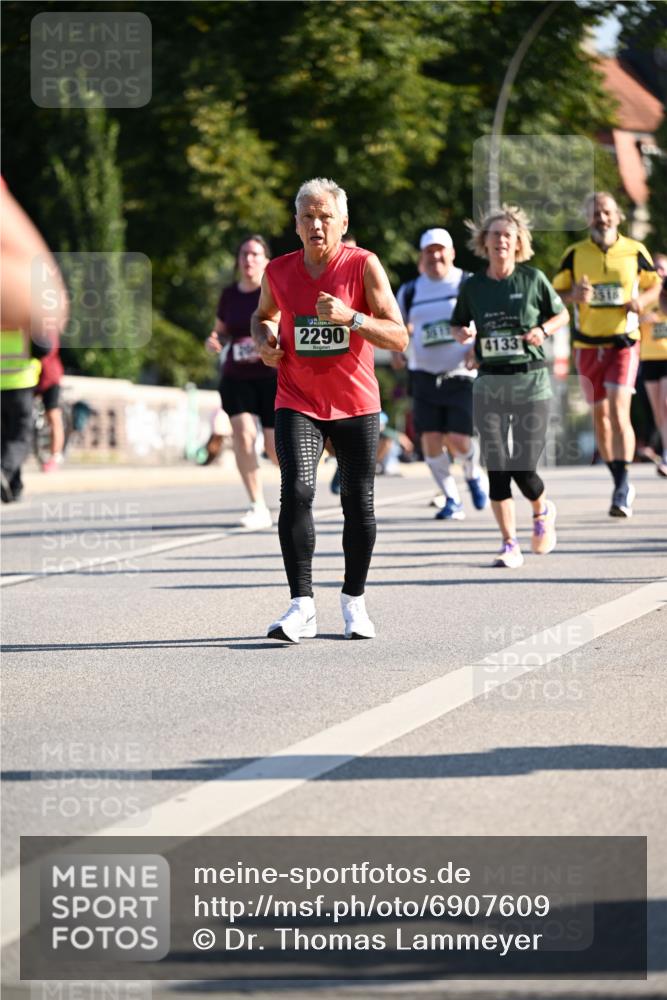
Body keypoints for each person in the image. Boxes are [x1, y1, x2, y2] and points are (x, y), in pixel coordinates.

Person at [251, 177, 408, 641]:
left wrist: (351, 318)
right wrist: (265, 341)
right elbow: (263, 317)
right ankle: (301, 605)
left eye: (325, 217)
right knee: (296, 491)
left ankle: (353, 602)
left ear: (343, 222)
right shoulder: (278, 271)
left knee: (358, 504)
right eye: (307, 217)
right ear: (296, 224)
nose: (316, 225)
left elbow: (398, 336)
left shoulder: (363, 266)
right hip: (297, 399)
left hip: (356, 403)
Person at [451, 204, 569, 568]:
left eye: (508, 235)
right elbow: (458, 325)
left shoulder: (532, 279)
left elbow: (561, 314)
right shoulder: (473, 286)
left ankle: (541, 507)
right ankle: (509, 542)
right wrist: (465, 337)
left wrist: (543, 330)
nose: (501, 240)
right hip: (489, 383)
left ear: (518, 242)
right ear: (483, 242)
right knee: (497, 466)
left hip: (530, 382)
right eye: (495, 234)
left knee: (522, 465)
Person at [552, 192, 661, 517]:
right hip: (587, 345)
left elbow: (656, 283)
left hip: (622, 342)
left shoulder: (634, 250)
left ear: (618, 217)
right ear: (588, 218)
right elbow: (554, 292)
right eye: (596, 213)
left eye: (607, 212)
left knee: (617, 410)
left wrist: (642, 301)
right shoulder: (574, 254)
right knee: (600, 417)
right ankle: (617, 480)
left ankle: (624, 484)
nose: (602, 218)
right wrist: (573, 294)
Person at [393, 228, 488, 521]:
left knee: (459, 439)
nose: (435, 256)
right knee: (430, 439)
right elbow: (399, 326)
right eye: (429, 251)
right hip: (422, 372)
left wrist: (478, 349)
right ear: (422, 256)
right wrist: (398, 350)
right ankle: (451, 498)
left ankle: (472, 472)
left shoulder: (467, 283)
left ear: (452, 253)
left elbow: (488, 320)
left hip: (460, 372)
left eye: (440, 250)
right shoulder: (410, 290)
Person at [1, 179, 68, 502]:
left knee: (9, 434)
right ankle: (6, 475)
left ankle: (13, 485)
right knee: (18, 434)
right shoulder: (17, 300)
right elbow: (43, 332)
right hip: (19, 378)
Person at [206, 235, 278, 529]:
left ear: (266, 261)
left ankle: (297, 498)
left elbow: (284, 325)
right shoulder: (229, 295)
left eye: (255, 254)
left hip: (272, 377)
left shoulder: (273, 291)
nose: (248, 259)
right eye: (244, 254)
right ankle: (257, 505)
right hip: (237, 378)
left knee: (276, 450)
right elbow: (221, 331)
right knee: (244, 435)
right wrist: (215, 340)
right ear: (238, 261)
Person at [638, 252, 667, 477]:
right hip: (648, 358)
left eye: (663, 268)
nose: (659, 272)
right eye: (655, 268)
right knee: (659, 412)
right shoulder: (645, 298)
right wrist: (641, 319)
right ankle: (665, 450)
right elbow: (628, 323)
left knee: (666, 402)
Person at [34, 334, 65, 472]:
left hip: (49, 378)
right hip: (32, 377)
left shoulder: (46, 328)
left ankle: (55, 456)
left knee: (53, 416)